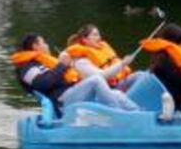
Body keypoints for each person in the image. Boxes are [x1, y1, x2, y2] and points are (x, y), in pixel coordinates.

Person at [11, 34, 140, 111]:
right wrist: (62, 66)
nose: (47, 45)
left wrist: (66, 67)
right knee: (95, 80)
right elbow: (43, 84)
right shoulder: (28, 68)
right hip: (63, 100)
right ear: (35, 46)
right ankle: (119, 115)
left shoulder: (44, 62)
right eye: (44, 43)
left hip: (72, 93)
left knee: (116, 93)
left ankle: (138, 115)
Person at [65, 24, 146, 91]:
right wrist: (123, 63)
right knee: (139, 77)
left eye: (99, 34)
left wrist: (123, 64)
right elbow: (102, 76)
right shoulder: (81, 61)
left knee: (141, 75)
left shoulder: (103, 50)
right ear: (85, 39)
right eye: (95, 35)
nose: (99, 38)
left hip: (118, 83)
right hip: (107, 90)